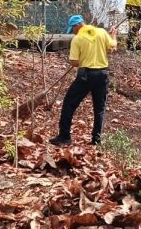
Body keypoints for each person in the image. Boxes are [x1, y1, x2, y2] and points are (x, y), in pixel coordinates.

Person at [50, 15, 118, 146]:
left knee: (69, 103)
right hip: (103, 74)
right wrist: (113, 36)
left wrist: (83, 59)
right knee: (99, 108)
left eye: (72, 29)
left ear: (77, 25)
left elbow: (74, 62)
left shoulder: (78, 39)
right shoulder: (102, 32)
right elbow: (112, 48)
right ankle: (96, 140)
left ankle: (64, 136)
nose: (73, 32)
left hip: (86, 74)